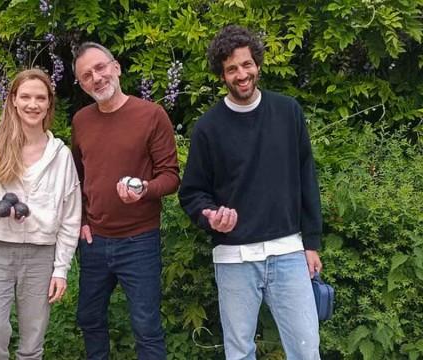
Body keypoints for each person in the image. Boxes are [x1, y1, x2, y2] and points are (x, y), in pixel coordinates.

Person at [178, 25, 323, 360]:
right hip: (234, 258)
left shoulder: (288, 112)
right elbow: (192, 193)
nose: (241, 74)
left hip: (288, 252)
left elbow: (306, 177)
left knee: (306, 348)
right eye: (231, 69)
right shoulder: (208, 128)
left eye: (246, 65)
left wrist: (311, 242)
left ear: (257, 64)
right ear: (222, 75)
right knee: (239, 352)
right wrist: (211, 218)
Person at [71, 42, 180, 360]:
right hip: (94, 241)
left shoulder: (151, 115)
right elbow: (77, 177)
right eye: (87, 75)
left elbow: (171, 177)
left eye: (100, 68)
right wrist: (82, 221)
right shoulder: (81, 121)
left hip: (139, 240)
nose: (97, 78)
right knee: (89, 318)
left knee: (146, 327)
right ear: (81, 84)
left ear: (116, 67)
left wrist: (144, 189)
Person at [0, 68, 81, 360]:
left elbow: (70, 217)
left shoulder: (61, 155)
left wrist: (61, 269)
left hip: (41, 255)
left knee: (32, 343)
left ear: (49, 104)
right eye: (25, 96)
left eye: (40, 98)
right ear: (13, 99)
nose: (33, 104)